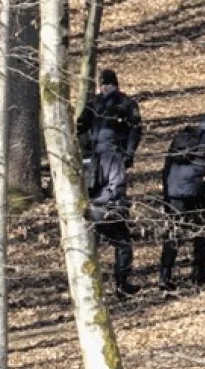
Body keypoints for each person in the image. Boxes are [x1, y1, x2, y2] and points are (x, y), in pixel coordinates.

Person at [76, 69, 143, 297]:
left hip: (110, 156)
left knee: (111, 238)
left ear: (114, 84)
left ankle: (115, 284)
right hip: (99, 162)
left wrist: (129, 153)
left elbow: (136, 129)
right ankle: (115, 285)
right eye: (102, 85)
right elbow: (80, 126)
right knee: (117, 239)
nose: (104, 88)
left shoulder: (124, 104)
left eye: (107, 85)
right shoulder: (95, 103)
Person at [159, 116, 205, 292]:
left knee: (174, 232)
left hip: (173, 190)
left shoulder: (183, 136)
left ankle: (164, 277)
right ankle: (198, 273)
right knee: (202, 231)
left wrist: (166, 192)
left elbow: (166, 166)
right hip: (197, 190)